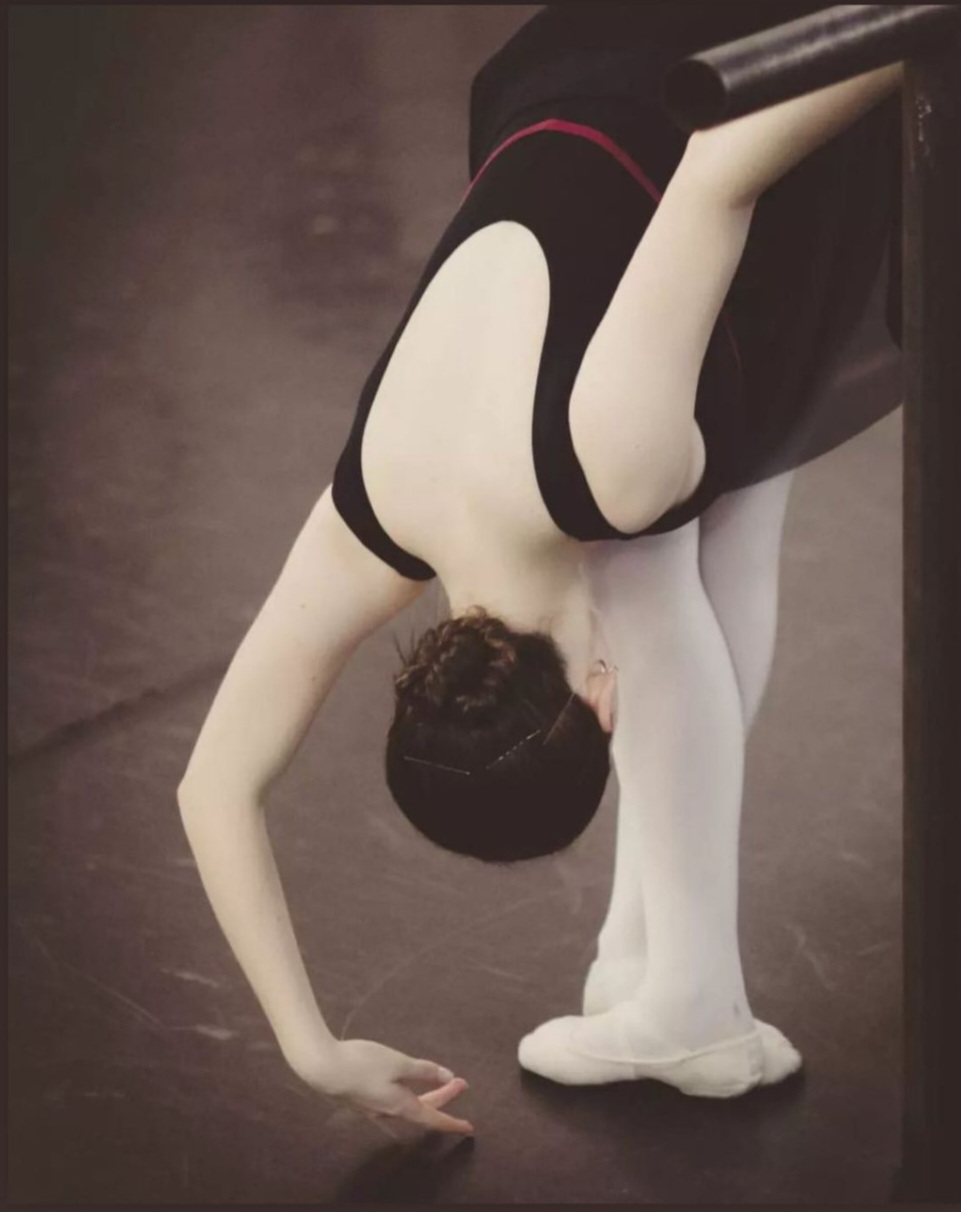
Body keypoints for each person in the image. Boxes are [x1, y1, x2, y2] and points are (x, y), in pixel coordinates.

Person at [178, 3, 903, 1135]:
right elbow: (212, 787)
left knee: (673, 516)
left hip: (712, 78)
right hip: (566, 80)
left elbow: (723, 167)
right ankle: (656, 966)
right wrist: (312, 1052)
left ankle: (687, 1000)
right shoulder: (368, 516)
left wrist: (903, 30)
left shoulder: (614, 459)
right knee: (686, 516)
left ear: (603, 704)